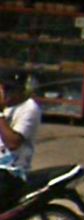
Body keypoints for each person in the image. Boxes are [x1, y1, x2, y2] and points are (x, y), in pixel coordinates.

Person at [0, 71, 42, 208]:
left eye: (12, 90)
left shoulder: (29, 109)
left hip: (11, 172)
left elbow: (13, 143)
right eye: (5, 89)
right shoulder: (6, 107)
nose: (8, 94)